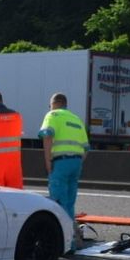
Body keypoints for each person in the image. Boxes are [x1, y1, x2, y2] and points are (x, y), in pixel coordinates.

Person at [39, 92, 89, 250]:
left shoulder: (52, 115)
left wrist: (48, 162)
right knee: (69, 203)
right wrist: (77, 162)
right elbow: (86, 148)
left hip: (60, 163)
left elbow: (47, 137)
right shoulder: (76, 119)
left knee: (58, 204)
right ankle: (72, 243)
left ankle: (63, 244)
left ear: (54, 104)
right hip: (76, 163)